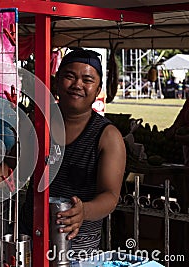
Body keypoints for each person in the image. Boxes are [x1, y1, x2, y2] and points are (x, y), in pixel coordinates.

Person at [21, 49, 126, 256]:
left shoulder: (107, 136)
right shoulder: (38, 122)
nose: (77, 85)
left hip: (76, 250)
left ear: (97, 90)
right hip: (29, 239)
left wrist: (83, 211)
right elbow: (11, 168)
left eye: (87, 80)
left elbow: (110, 195)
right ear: (57, 81)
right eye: (70, 76)